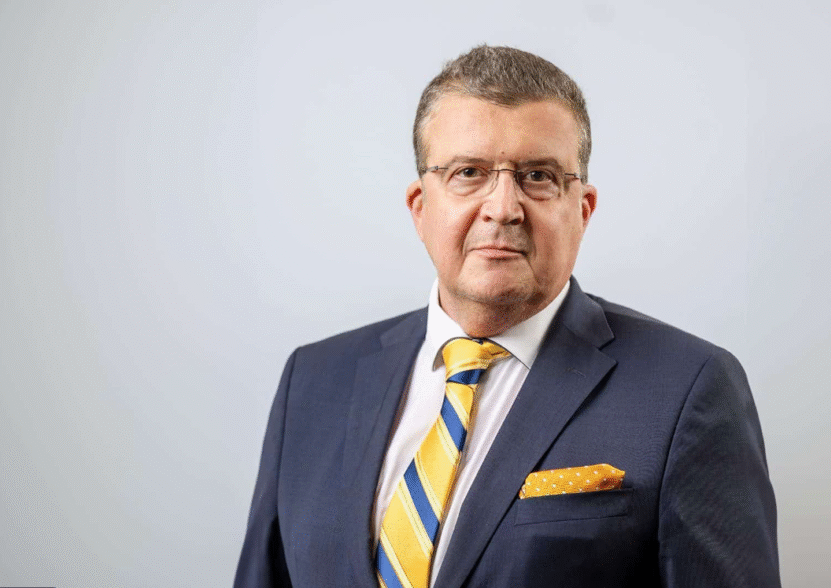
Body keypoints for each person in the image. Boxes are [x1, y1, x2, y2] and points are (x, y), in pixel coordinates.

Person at [235, 44, 780, 588]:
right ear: (420, 207)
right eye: (469, 172)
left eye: (538, 175)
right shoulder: (313, 380)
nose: (502, 207)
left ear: (583, 209)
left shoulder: (687, 390)